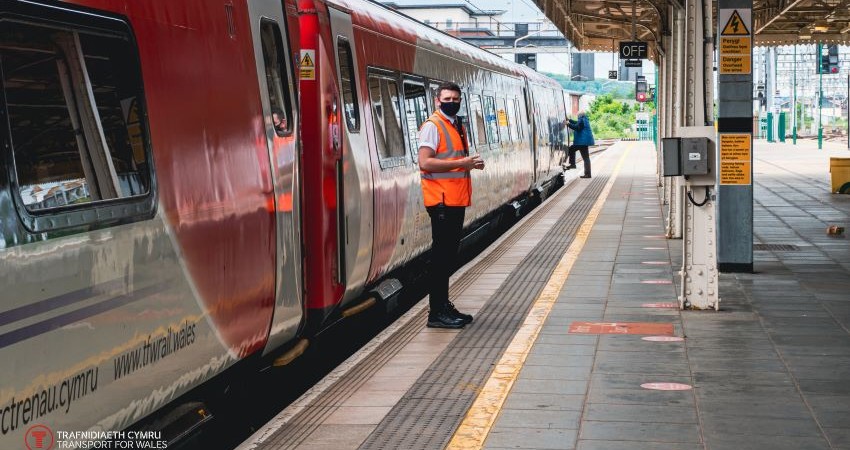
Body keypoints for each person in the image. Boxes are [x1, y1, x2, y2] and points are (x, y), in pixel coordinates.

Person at [418, 82, 485, 329]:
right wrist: (462, 163)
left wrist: (469, 164)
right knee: (441, 258)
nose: (452, 102)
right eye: (447, 98)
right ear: (437, 100)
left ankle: (443, 305)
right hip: (442, 202)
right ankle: (436, 313)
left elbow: (454, 161)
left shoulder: (455, 125)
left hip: (454, 200)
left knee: (446, 257)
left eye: (456, 98)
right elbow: (425, 162)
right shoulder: (432, 127)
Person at [565, 110, 595, 178]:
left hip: (581, 141)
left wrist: (568, 124)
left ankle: (572, 164)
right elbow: (576, 123)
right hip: (584, 142)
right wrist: (569, 120)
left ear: (580, 115)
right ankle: (588, 174)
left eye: (578, 115)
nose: (577, 116)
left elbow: (577, 127)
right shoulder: (584, 119)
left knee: (571, 149)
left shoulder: (581, 120)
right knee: (586, 158)